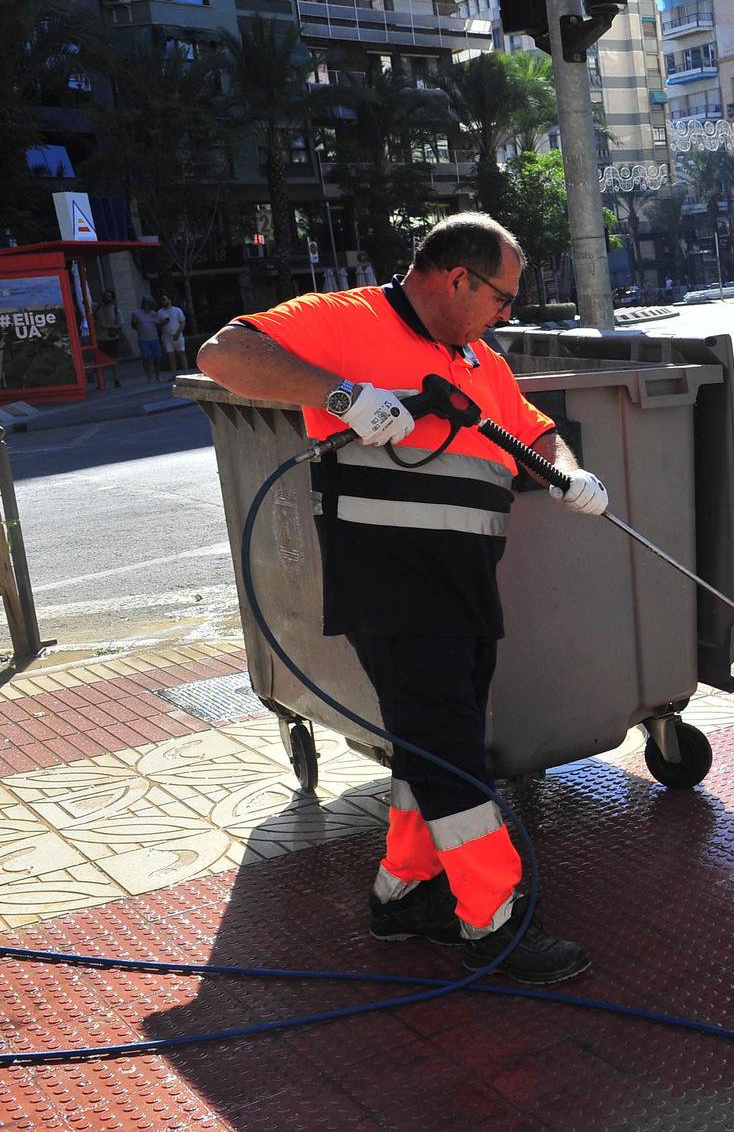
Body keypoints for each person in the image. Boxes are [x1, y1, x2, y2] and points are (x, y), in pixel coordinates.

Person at [195, 213, 608, 986]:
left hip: (463, 586)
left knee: (433, 741)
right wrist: (342, 394)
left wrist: (567, 472)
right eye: (502, 296)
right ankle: (494, 924)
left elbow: (534, 431)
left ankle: (405, 891)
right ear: (457, 278)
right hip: (391, 585)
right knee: (450, 747)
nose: (507, 313)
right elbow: (223, 353)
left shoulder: (478, 361)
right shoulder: (347, 322)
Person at [130, 296, 163, 384]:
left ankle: (158, 375)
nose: (147, 304)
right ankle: (149, 376)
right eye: (145, 302)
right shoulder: (136, 313)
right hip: (143, 339)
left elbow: (159, 326)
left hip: (154, 338)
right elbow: (133, 325)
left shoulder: (155, 314)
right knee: (145, 358)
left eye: (149, 302)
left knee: (157, 358)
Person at [93, 300, 125, 387]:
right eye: (105, 296)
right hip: (100, 339)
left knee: (114, 359)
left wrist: (110, 327)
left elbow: (121, 324)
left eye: (109, 296)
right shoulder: (97, 310)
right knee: (99, 361)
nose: (106, 298)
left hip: (112, 338)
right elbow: (92, 321)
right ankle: (101, 381)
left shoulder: (115, 309)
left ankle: (116, 380)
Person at [156, 295, 189, 374]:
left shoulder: (177, 310)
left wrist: (178, 333)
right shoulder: (160, 312)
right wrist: (164, 323)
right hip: (167, 337)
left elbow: (183, 322)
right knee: (171, 356)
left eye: (164, 299)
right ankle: (174, 374)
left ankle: (186, 373)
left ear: (169, 300)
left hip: (178, 336)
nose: (163, 301)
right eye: (162, 300)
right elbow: (158, 325)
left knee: (181, 354)